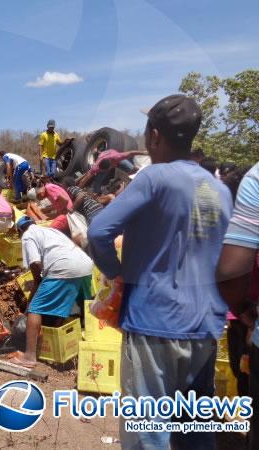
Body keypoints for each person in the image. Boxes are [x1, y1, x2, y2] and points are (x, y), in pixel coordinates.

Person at [88, 94, 232, 449]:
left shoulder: (154, 178)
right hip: (204, 325)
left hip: (155, 321)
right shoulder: (218, 189)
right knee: (195, 431)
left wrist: (116, 272)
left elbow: (99, 231)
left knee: (148, 433)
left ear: (154, 135)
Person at [11, 216, 92, 367]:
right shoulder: (51, 231)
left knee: (36, 309)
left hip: (64, 268)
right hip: (85, 265)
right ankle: (87, 342)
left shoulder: (28, 235)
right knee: (82, 306)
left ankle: (29, 357)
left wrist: (36, 284)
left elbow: (35, 262)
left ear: (20, 230)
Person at [216, 162, 259, 447]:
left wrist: (244, 311)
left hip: (246, 313)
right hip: (246, 313)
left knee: (241, 367)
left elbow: (230, 270)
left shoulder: (256, 181)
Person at [78, 148, 148, 193]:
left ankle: (97, 151)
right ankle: (97, 194)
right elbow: (85, 179)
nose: (107, 171)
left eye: (108, 169)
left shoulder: (117, 157)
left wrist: (144, 153)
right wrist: (77, 190)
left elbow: (132, 152)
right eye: (103, 170)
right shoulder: (96, 167)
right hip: (103, 157)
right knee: (97, 184)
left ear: (111, 165)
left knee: (133, 169)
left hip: (111, 153)